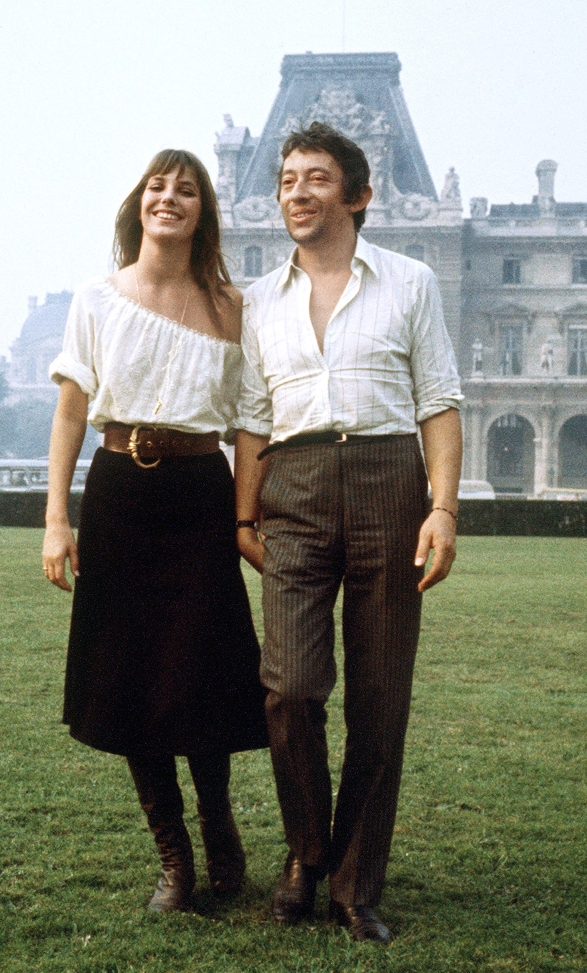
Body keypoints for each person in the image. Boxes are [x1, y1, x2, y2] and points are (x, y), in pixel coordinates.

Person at [234, 123, 463, 943]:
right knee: (289, 688)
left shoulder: (411, 282)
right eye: (287, 178)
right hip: (291, 487)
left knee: (380, 697)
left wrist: (442, 507)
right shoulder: (257, 299)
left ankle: (355, 880)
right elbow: (254, 419)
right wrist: (242, 511)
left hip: (387, 485)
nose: (296, 191)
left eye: (316, 178)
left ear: (360, 195)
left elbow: (437, 399)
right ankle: (306, 852)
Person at [42, 149, 268, 913]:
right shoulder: (97, 299)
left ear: (203, 212)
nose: (169, 197)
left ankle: (218, 820)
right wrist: (55, 520)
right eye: (157, 186)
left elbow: (249, 428)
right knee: (132, 674)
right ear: (139, 203)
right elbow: (71, 412)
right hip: (119, 500)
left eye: (187, 190)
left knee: (199, 668)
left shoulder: (231, 306)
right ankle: (173, 857)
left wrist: (243, 515)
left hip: (200, 498)